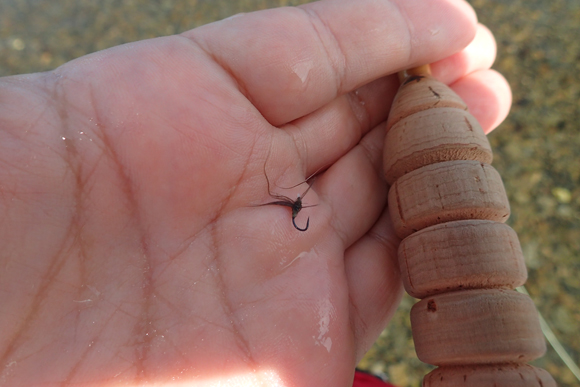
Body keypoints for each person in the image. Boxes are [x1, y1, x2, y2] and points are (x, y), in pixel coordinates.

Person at [0, 0, 511, 386]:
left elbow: (291, 203)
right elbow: (292, 203)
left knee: (285, 197)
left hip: (291, 208)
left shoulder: (292, 203)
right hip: (293, 210)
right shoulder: (294, 204)